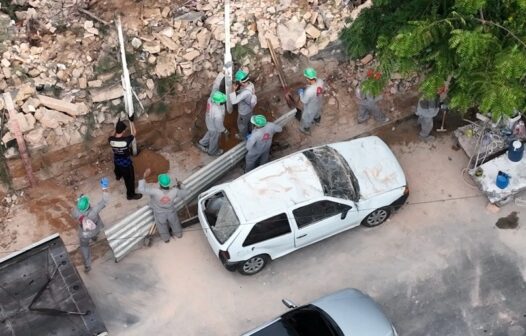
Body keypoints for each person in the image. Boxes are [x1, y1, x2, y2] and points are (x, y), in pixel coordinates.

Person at [138, 168, 188, 243]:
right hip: (171, 212)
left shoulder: (155, 192)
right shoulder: (175, 191)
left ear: (160, 184)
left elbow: (141, 189)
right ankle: (179, 234)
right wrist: (181, 185)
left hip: (159, 214)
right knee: (175, 223)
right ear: (169, 183)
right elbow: (184, 193)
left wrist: (143, 177)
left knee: (162, 226)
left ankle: (166, 239)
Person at [71, 181, 109, 273]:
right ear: (88, 205)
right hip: (95, 230)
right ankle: (95, 238)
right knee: (95, 234)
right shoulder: (94, 212)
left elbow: (77, 206)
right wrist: (105, 188)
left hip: (84, 234)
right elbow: (105, 201)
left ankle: (88, 265)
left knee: (84, 247)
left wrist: (80, 199)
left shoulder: (75, 211)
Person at [108, 119, 142, 200]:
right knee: (129, 179)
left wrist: (116, 128)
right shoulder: (126, 141)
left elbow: (113, 135)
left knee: (117, 169)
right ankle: (130, 195)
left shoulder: (110, 140)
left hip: (117, 160)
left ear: (116, 130)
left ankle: (118, 176)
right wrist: (132, 122)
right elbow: (134, 133)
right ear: (123, 131)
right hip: (126, 164)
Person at [198, 91, 228, 156]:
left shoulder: (210, 99)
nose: (224, 102)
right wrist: (224, 130)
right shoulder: (218, 113)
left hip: (208, 120)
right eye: (222, 101)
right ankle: (212, 151)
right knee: (214, 138)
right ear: (218, 102)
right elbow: (218, 126)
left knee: (210, 133)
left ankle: (202, 143)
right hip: (214, 127)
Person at [229, 69, 257, 140]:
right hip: (250, 110)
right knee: (250, 122)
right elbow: (242, 90)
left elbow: (234, 101)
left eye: (238, 81)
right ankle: (252, 131)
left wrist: (233, 90)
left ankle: (243, 136)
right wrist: (238, 91)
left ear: (241, 82)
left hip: (243, 112)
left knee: (242, 125)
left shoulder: (245, 93)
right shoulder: (251, 84)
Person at [298, 67, 325, 135]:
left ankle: (305, 129)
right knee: (317, 112)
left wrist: (301, 93)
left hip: (311, 107)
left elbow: (304, 101)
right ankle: (317, 120)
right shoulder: (320, 81)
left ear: (308, 79)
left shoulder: (309, 91)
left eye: (306, 78)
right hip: (318, 102)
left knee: (307, 118)